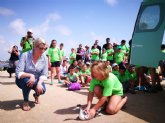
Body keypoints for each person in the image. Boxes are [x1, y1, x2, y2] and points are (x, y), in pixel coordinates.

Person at [15, 38, 48, 111]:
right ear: (35, 47)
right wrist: (31, 75)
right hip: (22, 80)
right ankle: (26, 101)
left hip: (36, 80)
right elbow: (18, 72)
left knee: (43, 90)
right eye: (41, 48)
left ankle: (36, 95)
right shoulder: (25, 55)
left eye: (44, 49)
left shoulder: (45, 58)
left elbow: (44, 74)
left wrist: (39, 83)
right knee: (28, 81)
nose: (43, 51)